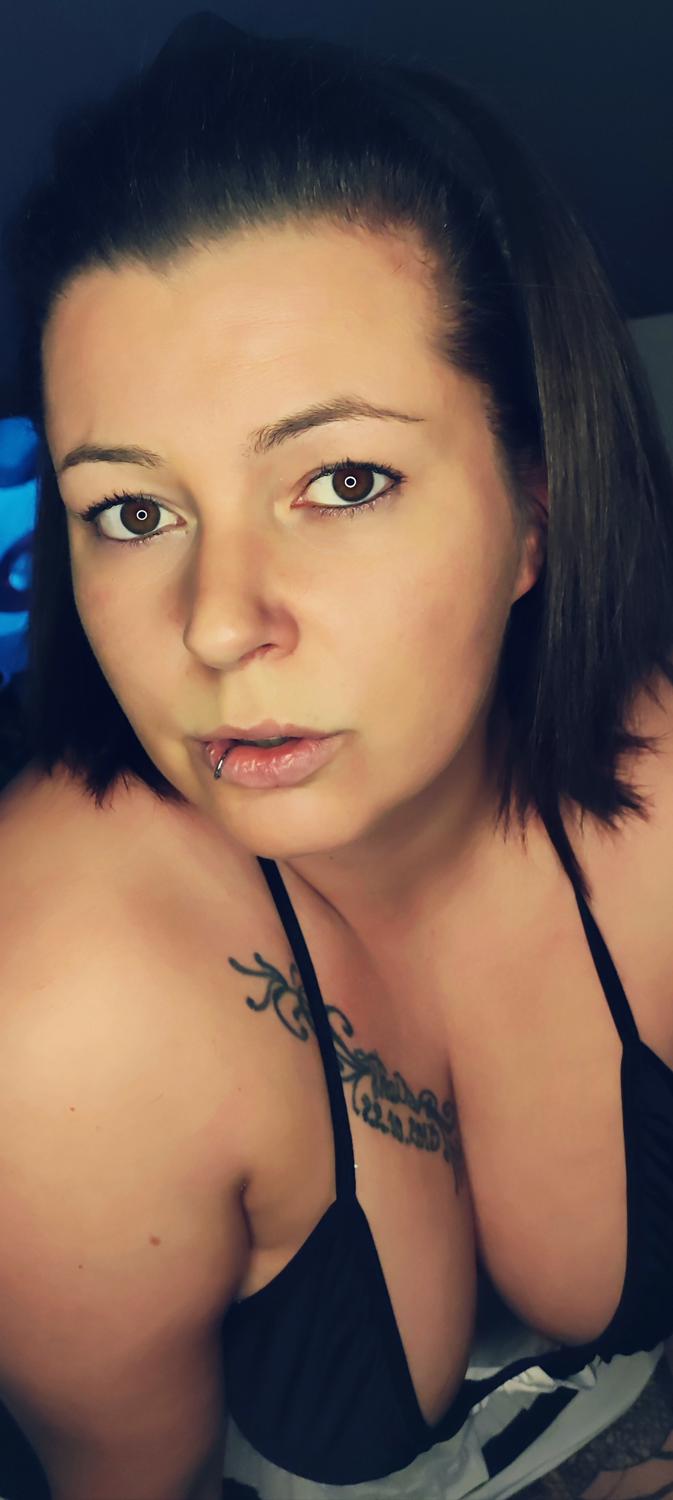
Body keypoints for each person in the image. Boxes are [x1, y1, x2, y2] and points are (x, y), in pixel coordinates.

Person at [0, 11, 672, 1500]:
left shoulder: (660, 808)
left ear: (533, 515)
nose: (217, 624)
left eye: (344, 480)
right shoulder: (61, 1011)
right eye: (132, 512)